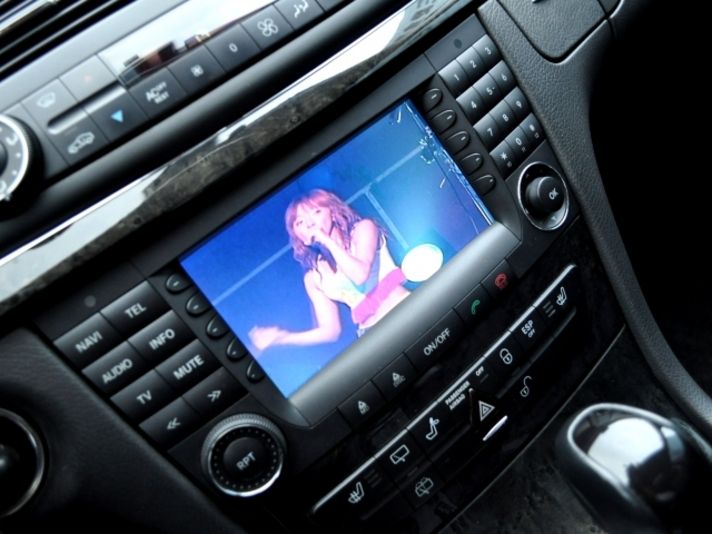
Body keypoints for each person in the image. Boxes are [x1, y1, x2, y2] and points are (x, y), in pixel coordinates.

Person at [248, 189, 410, 351]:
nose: (310, 223)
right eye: (300, 222)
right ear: (299, 237)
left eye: (316, 212)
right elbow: (330, 331)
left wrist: (327, 240)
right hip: (370, 334)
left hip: (402, 310)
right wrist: (282, 337)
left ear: (332, 213)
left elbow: (360, 274)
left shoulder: (363, 229)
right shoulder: (314, 277)